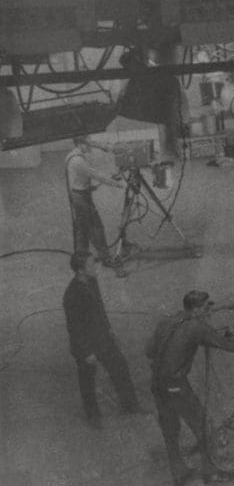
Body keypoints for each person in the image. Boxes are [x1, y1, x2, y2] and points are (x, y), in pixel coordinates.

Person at [146, 289, 234, 486]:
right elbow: (224, 344)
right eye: (207, 307)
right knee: (202, 426)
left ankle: (179, 474)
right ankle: (212, 472)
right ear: (197, 309)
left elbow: (149, 351)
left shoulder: (166, 321)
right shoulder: (197, 327)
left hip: (157, 384)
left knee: (170, 430)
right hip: (176, 386)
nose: (209, 311)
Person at [62, 251, 140, 428]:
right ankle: (93, 416)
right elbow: (74, 328)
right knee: (87, 381)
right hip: (86, 346)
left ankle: (131, 406)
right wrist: (86, 352)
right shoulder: (72, 294)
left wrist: (110, 330)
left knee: (120, 368)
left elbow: (99, 309)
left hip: (102, 338)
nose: (96, 267)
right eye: (92, 265)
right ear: (81, 270)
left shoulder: (91, 281)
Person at [65, 136, 124, 267]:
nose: (91, 145)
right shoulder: (77, 160)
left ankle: (81, 257)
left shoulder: (72, 156)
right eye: (88, 143)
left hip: (78, 194)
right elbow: (96, 175)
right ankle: (106, 258)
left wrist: (89, 187)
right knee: (96, 227)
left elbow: (76, 177)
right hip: (81, 197)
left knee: (82, 228)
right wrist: (117, 184)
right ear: (80, 143)